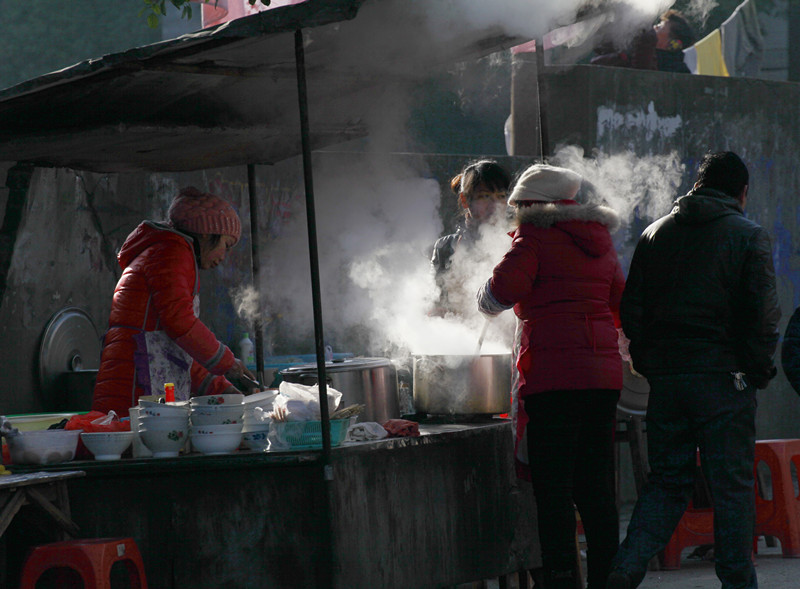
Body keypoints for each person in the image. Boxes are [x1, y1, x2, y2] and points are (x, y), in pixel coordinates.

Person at [607, 152, 781, 589]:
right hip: (724, 379)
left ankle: (624, 571)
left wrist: (652, 365)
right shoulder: (748, 235)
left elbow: (633, 309)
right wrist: (757, 371)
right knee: (731, 487)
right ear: (742, 193)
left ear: (698, 184)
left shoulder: (654, 234)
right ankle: (738, 582)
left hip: (667, 382)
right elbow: (763, 316)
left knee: (666, 482)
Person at [477, 163, 625, 589]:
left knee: (554, 488)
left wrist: (482, 298)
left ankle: (561, 580)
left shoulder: (534, 237)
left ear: (531, 204)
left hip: (553, 378)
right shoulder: (601, 241)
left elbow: (501, 292)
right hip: (602, 380)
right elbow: (620, 303)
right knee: (597, 488)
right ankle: (605, 579)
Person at [92, 186, 255, 417]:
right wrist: (229, 362)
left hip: (143, 381)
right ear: (207, 234)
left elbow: (179, 352)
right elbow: (180, 323)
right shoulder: (171, 252)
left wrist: (226, 390)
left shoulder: (171, 253)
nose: (223, 257)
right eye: (225, 246)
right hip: (134, 384)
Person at [431, 159, 511, 285]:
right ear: (464, 200)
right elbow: (436, 298)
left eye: (501, 196)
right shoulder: (446, 247)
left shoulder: (517, 243)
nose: (494, 205)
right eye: (485, 196)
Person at [591, 9, 694, 74]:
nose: (653, 28)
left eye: (659, 27)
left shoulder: (677, 71)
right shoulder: (633, 51)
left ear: (673, 44)